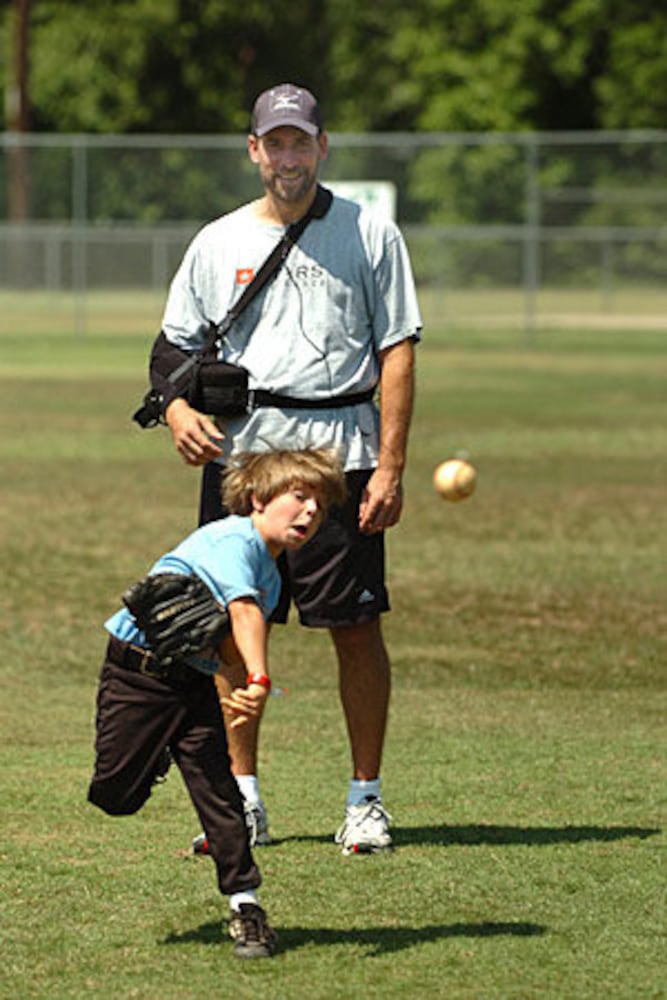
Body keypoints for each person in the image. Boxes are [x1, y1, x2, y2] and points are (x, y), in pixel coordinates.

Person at [146, 82, 422, 855]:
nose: (289, 156)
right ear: (254, 150)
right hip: (244, 465)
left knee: (355, 627)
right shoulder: (218, 240)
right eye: (276, 142)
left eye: (302, 141)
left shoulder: (370, 235)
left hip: (344, 453)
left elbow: (397, 348)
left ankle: (364, 801)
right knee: (231, 632)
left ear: (322, 148)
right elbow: (171, 349)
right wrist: (175, 412)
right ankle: (243, 799)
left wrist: (392, 465)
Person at [88, 447, 347, 959]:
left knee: (220, 792)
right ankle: (158, 749)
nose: (311, 512)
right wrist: (259, 677)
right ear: (257, 499)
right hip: (138, 676)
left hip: (194, 682)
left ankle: (246, 906)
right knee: (115, 795)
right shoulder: (234, 540)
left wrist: (239, 685)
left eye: (320, 504)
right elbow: (242, 613)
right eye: (299, 497)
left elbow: (227, 643)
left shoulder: (272, 576)